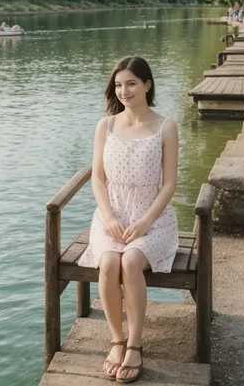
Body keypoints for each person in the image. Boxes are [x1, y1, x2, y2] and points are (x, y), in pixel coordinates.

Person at [78, 56, 178, 383]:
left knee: (131, 263)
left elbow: (169, 184)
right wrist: (108, 216)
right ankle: (117, 340)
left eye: (131, 83)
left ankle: (136, 343)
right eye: (119, 85)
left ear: (147, 84)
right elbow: (96, 178)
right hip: (112, 216)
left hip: (154, 218)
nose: (124, 91)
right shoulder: (105, 125)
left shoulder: (166, 127)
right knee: (108, 264)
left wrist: (147, 221)